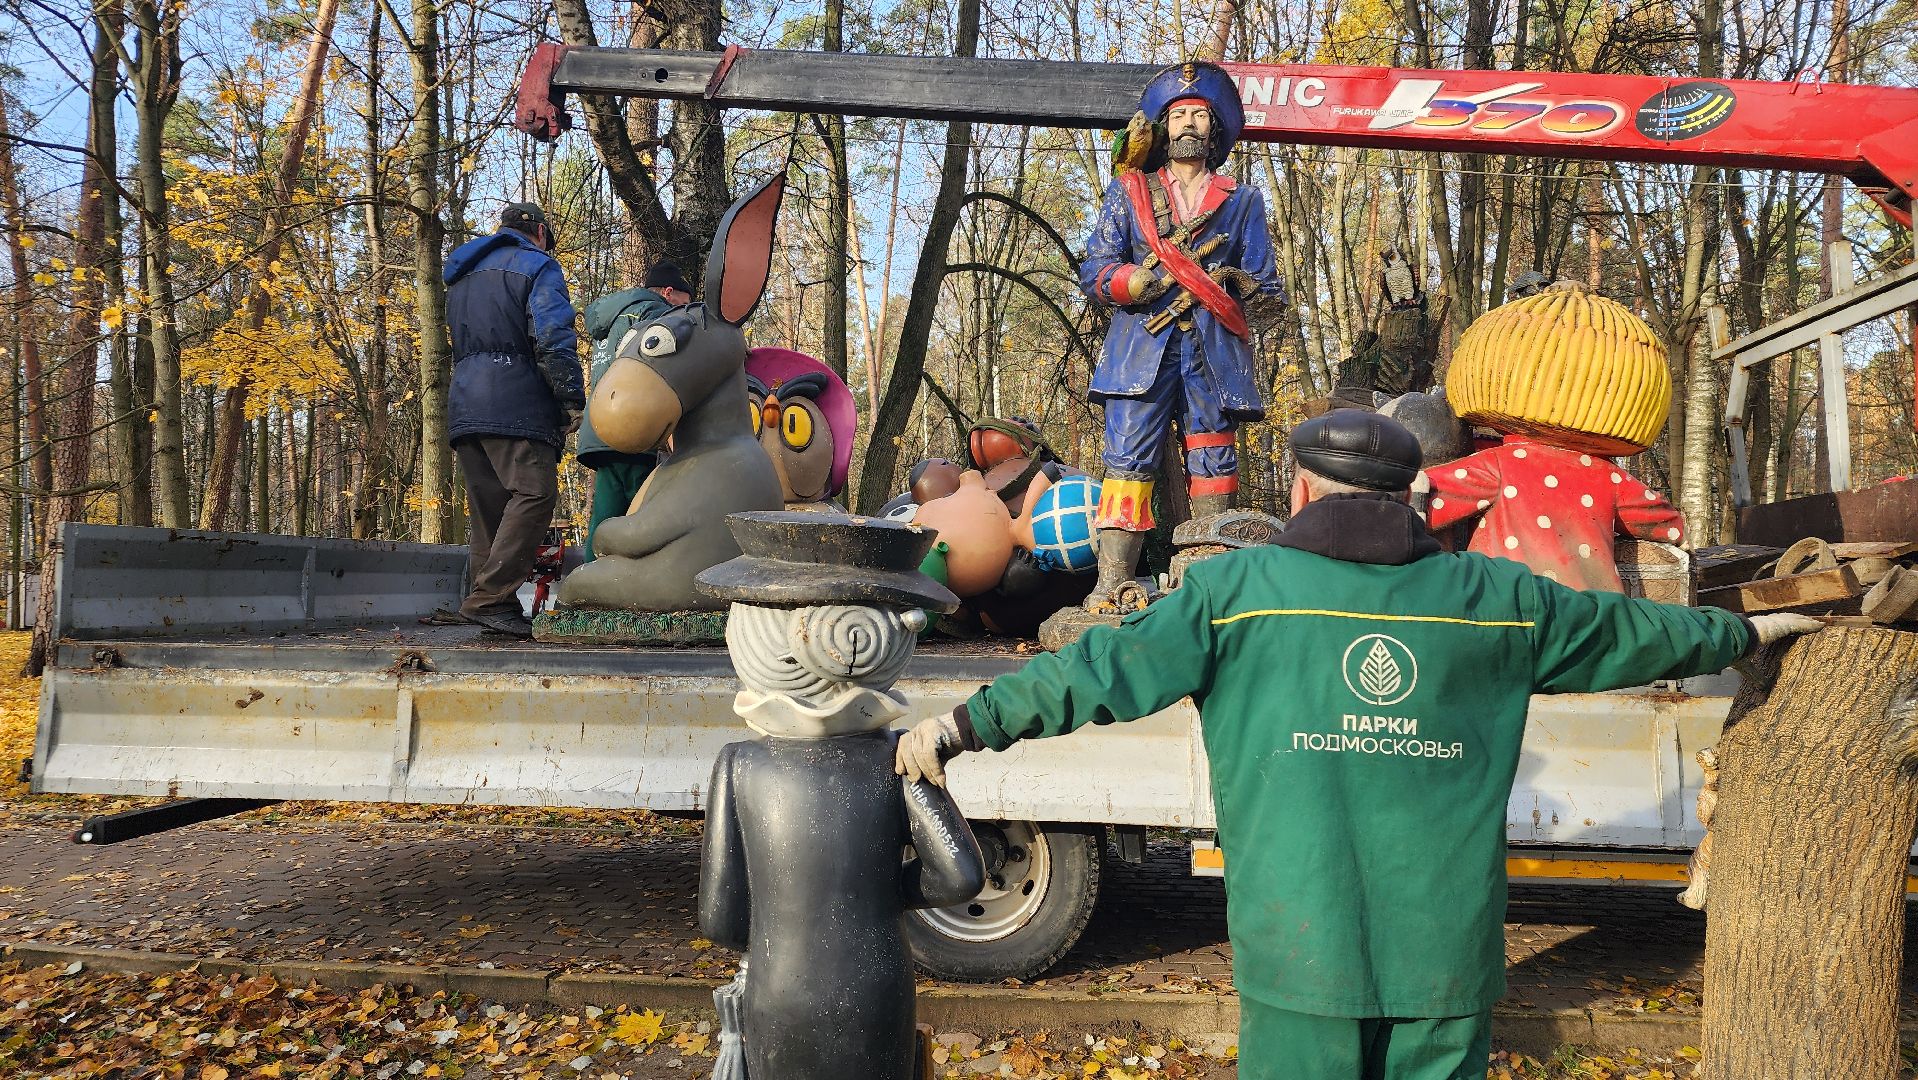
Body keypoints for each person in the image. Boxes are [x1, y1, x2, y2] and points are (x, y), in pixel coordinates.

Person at [897, 409, 1822, 1080]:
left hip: (1301, 950)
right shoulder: (1498, 598)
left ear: (1303, 488)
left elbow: (1095, 671)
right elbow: (1639, 635)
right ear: (1415, 493)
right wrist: (1749, 631)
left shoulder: (1238, 592)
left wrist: (962, 724)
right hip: (1446, 959)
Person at [1078, 60, 1285, 612]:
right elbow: (1094, 268)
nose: (1188, 124)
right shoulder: (1129, 192)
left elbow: (1269, 292)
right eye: (1178, 115)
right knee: (1126, 462)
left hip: (1212, 353)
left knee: (1213, 458)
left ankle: (1209, 583)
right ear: (1162, 127)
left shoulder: (1243, 201)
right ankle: (1112, 581)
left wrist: (1235, 283)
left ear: (1214, 129)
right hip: (1139, 350)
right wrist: (1130, 280)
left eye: (1199, 114)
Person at [443, 201, 584, 637]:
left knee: (490, 510)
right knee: (534, 496)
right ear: (540, 232)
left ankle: (489, 603)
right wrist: (570, 399)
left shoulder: (463, 275)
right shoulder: (538, 267)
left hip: (466, 402)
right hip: (516, 403)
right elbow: (551, 337)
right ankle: (489, 598)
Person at [576, 262, 692, 560]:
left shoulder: (612, 320)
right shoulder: (655, 315)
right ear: (668, 292)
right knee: (641, 518)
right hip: (635, 428)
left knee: (604, 516)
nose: (685, 310)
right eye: (685, 302)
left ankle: (585, 588)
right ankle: (630, 592)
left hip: (601, 428)